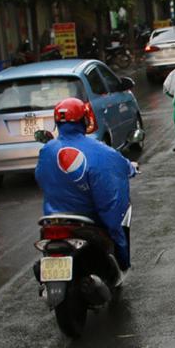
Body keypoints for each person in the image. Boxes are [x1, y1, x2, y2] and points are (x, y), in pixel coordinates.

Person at [34, 98, 135, 273]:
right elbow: (116, 175)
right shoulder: (102, 151)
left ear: (57, 122)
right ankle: (121, 264)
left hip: (54, 219)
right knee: (115, 225)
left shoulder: (47, 149)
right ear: (84, 119)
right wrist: (131, 168)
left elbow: (40, 177)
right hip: (88, 220)